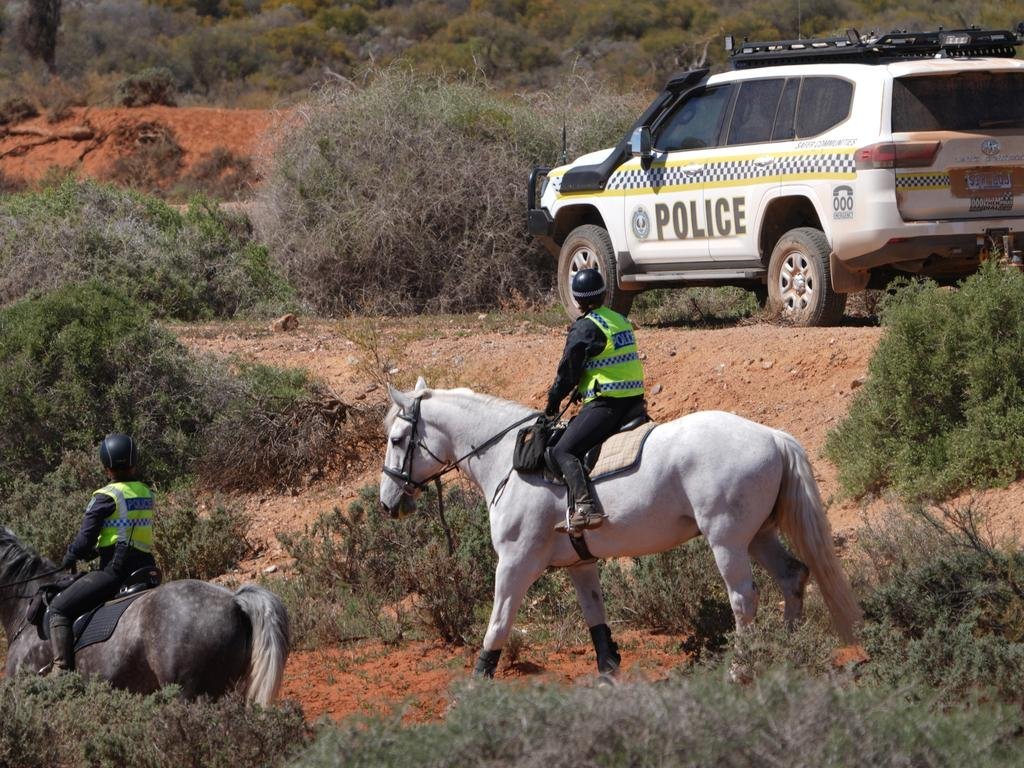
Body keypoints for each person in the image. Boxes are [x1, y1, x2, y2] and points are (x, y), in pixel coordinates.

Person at [45, 433, 156, 676]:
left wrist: (73, 555)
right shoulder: (146, 492)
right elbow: (128, 529)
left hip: (115, 572)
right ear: (134, 462)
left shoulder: (106, 496)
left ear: (106, 468)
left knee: (58, 609)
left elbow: (85, 538)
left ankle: (61, 670)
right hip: (147, 570)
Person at [545, 269, 645, 533]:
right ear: (602, 294)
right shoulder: (620, 320)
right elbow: (607, 362)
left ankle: (585, 508)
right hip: (633, 401)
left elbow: (568, 372)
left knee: (563, 450)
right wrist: (584, 386)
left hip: (608, 406)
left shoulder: (585, 326)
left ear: (577, 299)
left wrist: (553, 400)